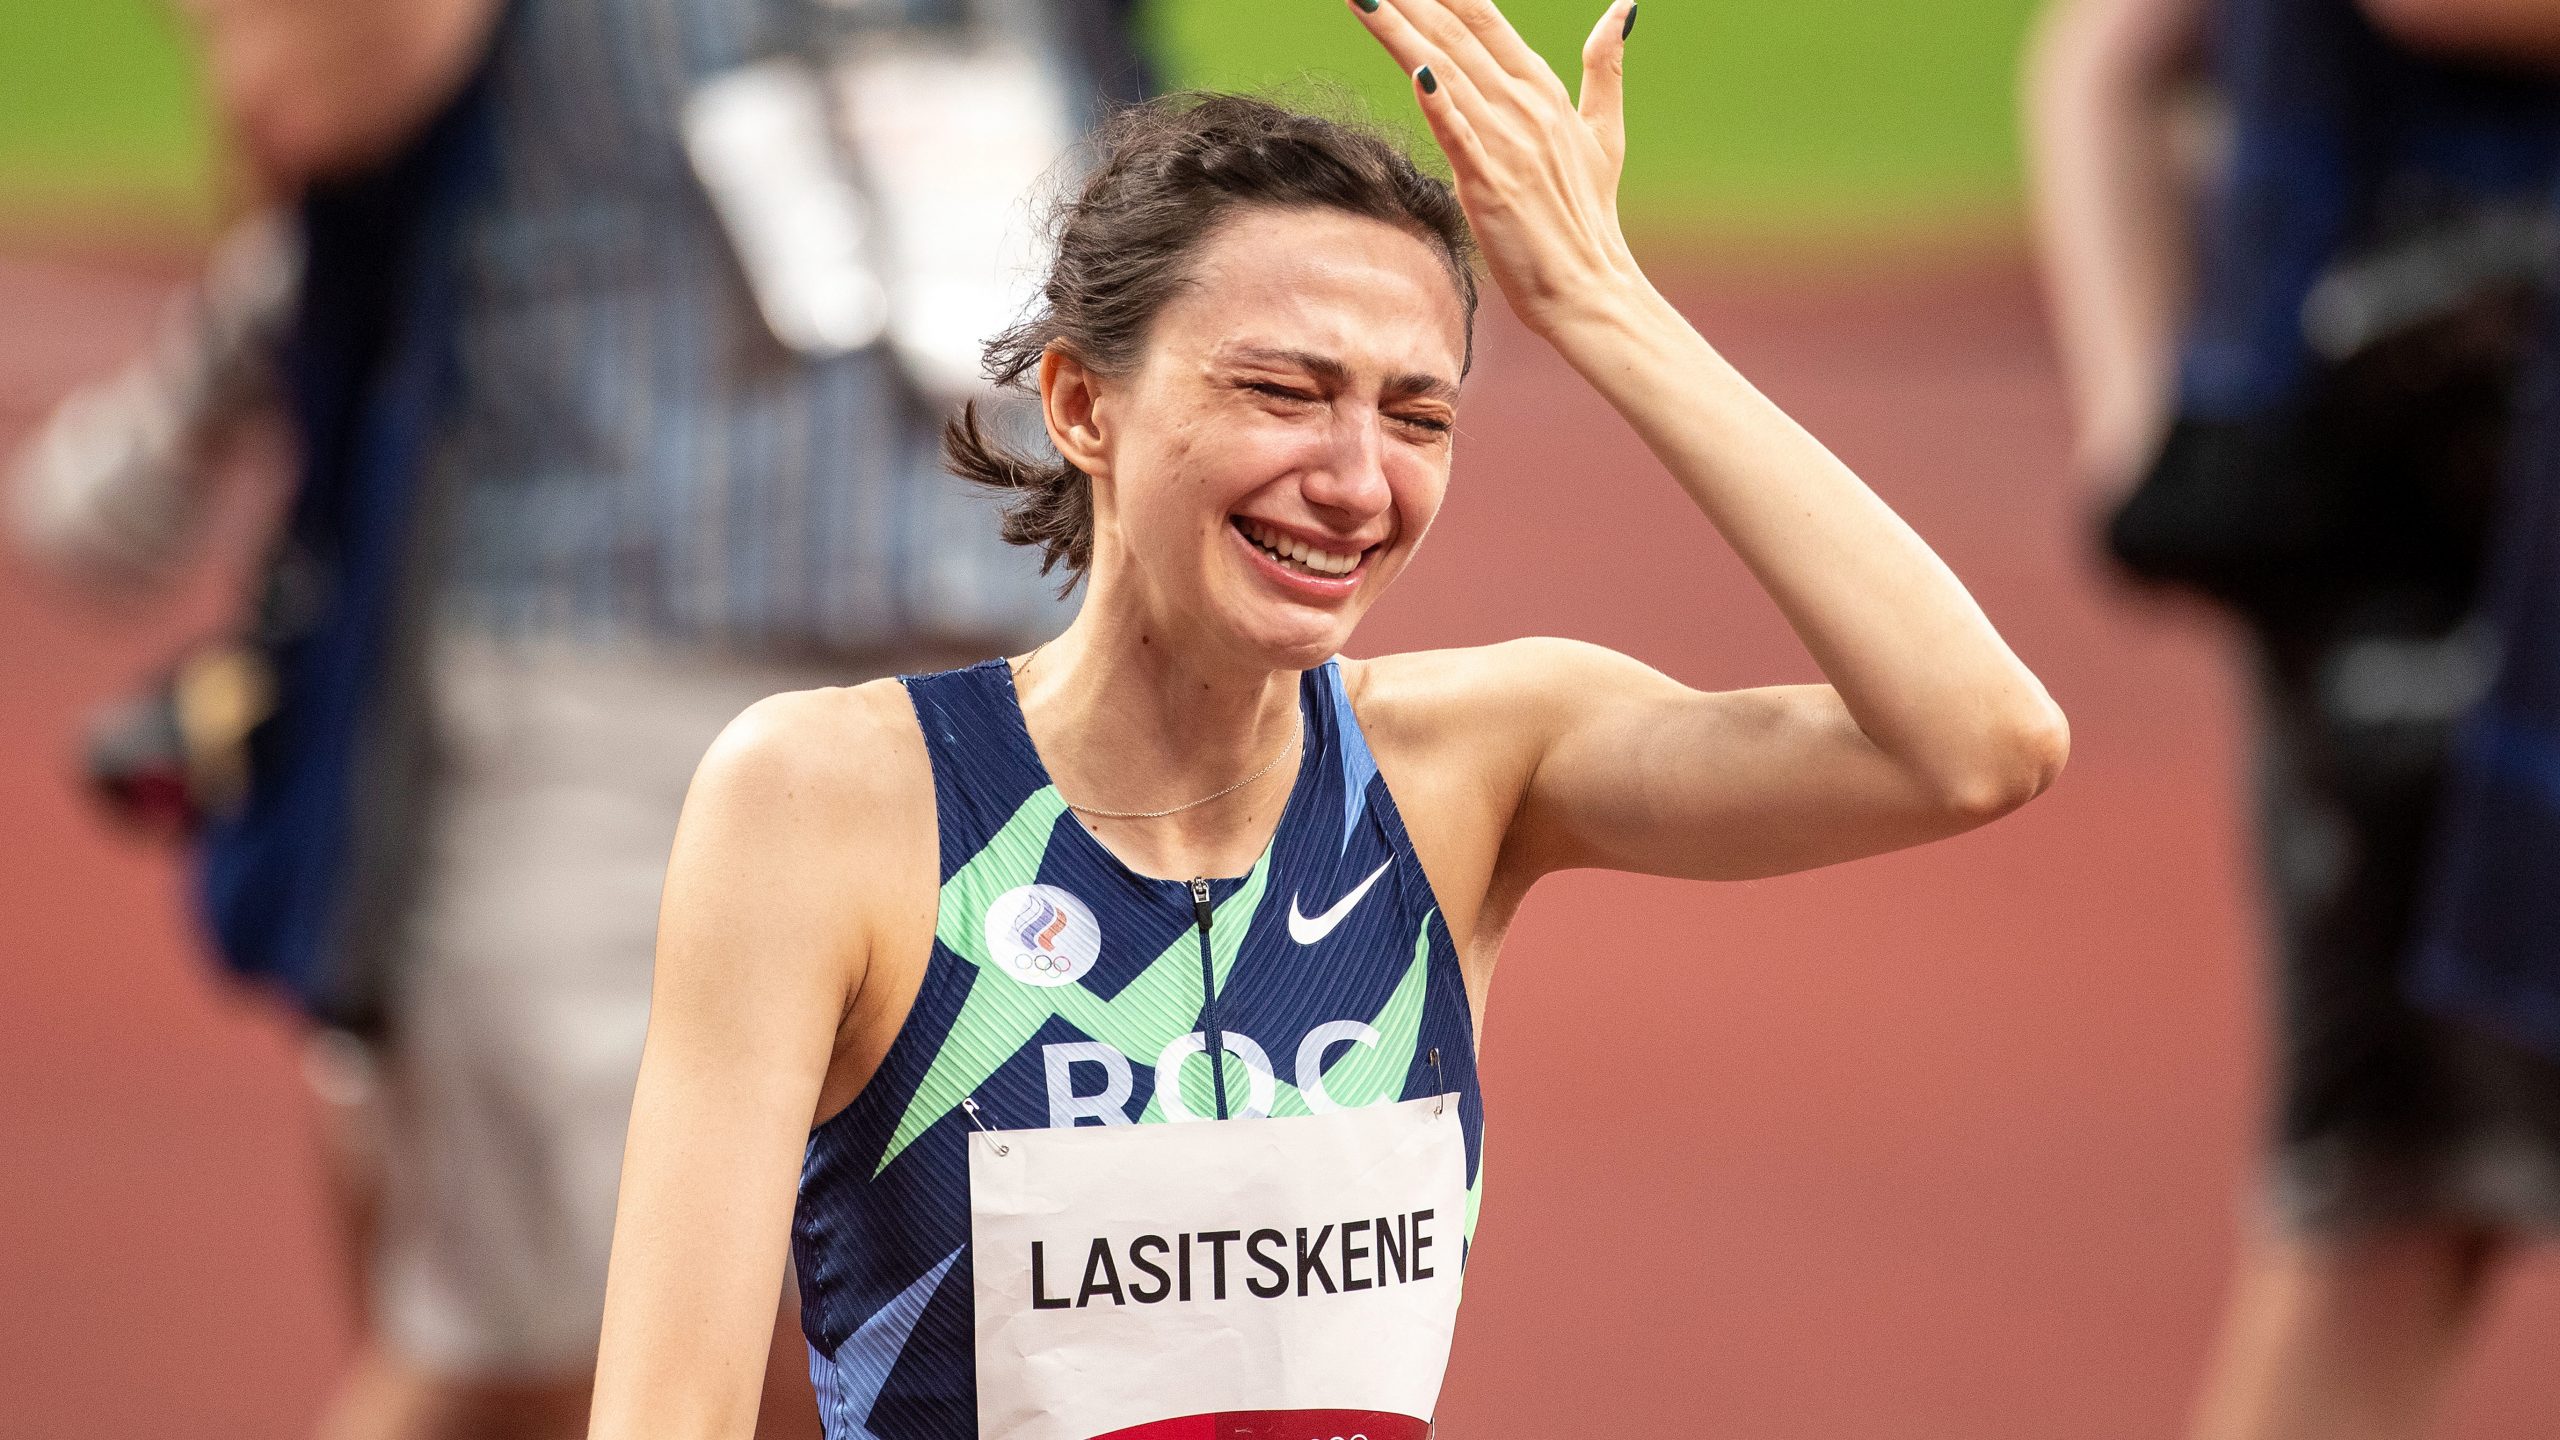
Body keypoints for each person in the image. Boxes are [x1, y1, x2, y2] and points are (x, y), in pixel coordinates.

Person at [588, 2, 2071, 1436]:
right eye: (1286, 392)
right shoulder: (834, 803)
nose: (1360, 480)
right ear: (1081, 407)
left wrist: (1602, 304)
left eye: (1417, 416)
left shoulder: (1470, 767)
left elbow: (1976, 744)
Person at [12, 2, 1149, 1437]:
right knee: (570, 1350)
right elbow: (296, 90)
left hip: (1009, 641)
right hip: (598, 659)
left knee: (965, 1333)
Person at [2026, 0, 2560, 1436]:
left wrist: (2151, 416)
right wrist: (2147, 420)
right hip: (2453, 536)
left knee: (2386, 1215)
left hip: (2404, 497)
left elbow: (2103, 53)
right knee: (2383, 1214)